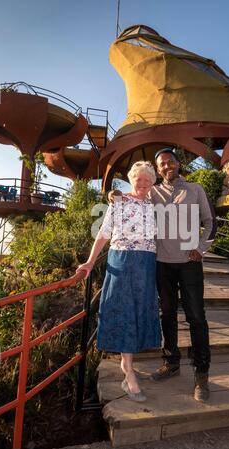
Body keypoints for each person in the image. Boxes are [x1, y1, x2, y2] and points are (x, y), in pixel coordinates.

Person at [109, 148, 217, 401]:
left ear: (178, 164)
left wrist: (201, 248)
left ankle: (202, 375)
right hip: (161, 263)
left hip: (189, 263)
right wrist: (112, 194)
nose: (167, 167)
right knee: (166, 314)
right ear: (157, 170)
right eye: (162, 165)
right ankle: (172, 362)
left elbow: (211, 221)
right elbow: (131, 195)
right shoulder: (153, 193)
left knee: (196, 317)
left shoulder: (195, 189)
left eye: (170, 162)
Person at [76, 161, 161, 402]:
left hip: (146, 263)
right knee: (124, 309)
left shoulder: (153, 203)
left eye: (147, 179)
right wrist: (90, 262)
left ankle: (129, 363)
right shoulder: (119, 201)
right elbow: (103, 232)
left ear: (152, 182)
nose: (143, 183)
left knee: (139, 309)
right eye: (138, 179)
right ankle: (128, 370)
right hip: (122, 259)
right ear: (131, 179)